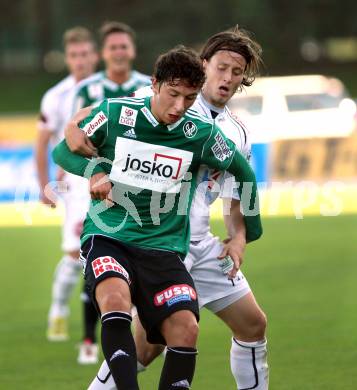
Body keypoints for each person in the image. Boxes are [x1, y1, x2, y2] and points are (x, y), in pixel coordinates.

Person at [53, 46, 262, 390]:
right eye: (173, 95)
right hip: (110, 236)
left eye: (190, 98)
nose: (179, 107)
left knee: (185, 329)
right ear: (154, 84)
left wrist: (246, 234)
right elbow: (63, 150)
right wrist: (94, 171)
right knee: (115, 301)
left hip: (165, 247)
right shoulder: (119, 111)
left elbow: (243, 174)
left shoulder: (203, 133)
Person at [73, 22, 152, 359]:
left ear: (132, 50)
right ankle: (90, 338)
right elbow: (74, 139)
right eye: (113, 47)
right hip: (96, 183)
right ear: (102, 53)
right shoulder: (88, 89)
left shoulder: (148, 86)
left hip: (138, 186)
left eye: (124, 46)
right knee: (97, 258)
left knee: (137, 250)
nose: (119, 52)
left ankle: (128, 322)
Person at [35, 26, 99, 363]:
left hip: (107, 182)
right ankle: (59, 306)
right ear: (68, 57)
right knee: (75, 256)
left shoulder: (106, 91)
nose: (80, 60)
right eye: (74, 55)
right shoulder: (56, 96)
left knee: (106, 252)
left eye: (85, 54)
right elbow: (43, 141)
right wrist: (44, 184)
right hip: (75, 186)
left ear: (95, 55)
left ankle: (100, 332)